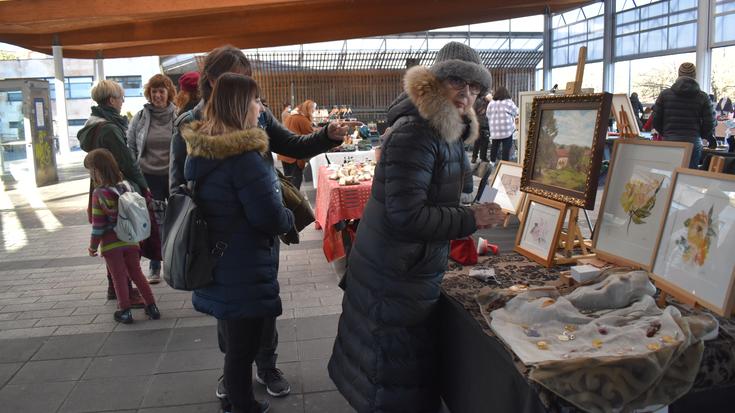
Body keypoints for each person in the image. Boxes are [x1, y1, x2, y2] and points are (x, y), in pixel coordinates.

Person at [328, 41, 506, 413]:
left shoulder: (443, 128)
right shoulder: (418, 131)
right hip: (394, 271)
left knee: (394, 368)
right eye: (458, 81)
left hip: (403, 265)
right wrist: (471, 218)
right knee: (388, 370)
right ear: (436, 82)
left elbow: (434, 196)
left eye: (474, 87)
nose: (467, 93)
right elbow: (407, 215)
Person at [168, 45, 350, 401]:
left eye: (248, 77)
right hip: (221, 234)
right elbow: (178, 184)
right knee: (231, 307)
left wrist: (327, 135)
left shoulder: (259, 114)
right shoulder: (190, 123)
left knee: (261, 300)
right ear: (211, 81)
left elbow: (293, 145)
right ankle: (235, 372)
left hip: (257, 232)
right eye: (234, 76)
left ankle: (265, 366)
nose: (245, 84)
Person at [181, 73, 293, 413]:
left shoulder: (204, 149)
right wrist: (289, 218)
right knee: (244, 347)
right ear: (241, 105)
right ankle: (242, 406)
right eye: (257, 100)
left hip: (219, 260)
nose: (261, 107)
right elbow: (268, 216)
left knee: (235, 345)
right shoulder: (245, 157)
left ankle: (233, 397)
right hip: (243, 263)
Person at [78, 79, 149, 307]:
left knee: (110, 238)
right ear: (111, 100)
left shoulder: (92, 124)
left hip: (99, 189)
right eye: (120, 98)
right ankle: (128, 292)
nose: (123, 102)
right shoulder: (109, 127)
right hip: (119, 191)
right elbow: (127, 162)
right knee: (126, 236)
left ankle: (115, 287)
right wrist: (144, 186)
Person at [84, 148, 160, 324]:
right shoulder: (126, 186)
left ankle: (124, 311)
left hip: (112, 244)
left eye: (90, 170)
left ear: (97, 170)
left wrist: (93, 247)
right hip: (131, 240)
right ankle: (152, 307)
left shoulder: (99, 194)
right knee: (137, 274)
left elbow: (98, 226)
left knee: (119, 277)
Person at [127, 74, 177, 284]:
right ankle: (155, 265)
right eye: (154, 91)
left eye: (161, 91)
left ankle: (174, 264)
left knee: (175, 219)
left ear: (168, 93)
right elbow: (130, 145)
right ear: (149, 93)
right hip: (148, 175)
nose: (157, 95)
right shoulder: (140, 117)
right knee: (154, 224)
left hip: (173, 175)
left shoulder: (178, 115)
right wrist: (134, 172)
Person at [653, 62, 716, 168]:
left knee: (669, 176)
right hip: (693, 143)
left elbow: (655, 120)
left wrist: (666, 133)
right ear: (695, 76)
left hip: (670, 141)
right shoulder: (703, 97)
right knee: (689, 178)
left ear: (678, 75)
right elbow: (710, 123)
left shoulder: (665, 95)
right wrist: (701, 135)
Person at [278, 99, 317, 189]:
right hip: (293, 155)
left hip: (284, 153)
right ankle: (294, 202)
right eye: (312, 110)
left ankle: (289, 201)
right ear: (308, 109)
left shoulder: (293, 116)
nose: (313, 112)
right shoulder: (301, 118)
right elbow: (311, 136)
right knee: (295, 182)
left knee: (288, 181)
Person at [486, 86, 518, 162]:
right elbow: (516, 111)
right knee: (506, 149)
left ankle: (492, 163)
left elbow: (488, 115)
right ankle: (504, 164)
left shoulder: (491, 103)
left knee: (494, 147)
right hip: (506, 130)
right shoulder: (508, 102)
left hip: (495, 131)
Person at [471, 96, 490, 163]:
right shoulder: (481, 101)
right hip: (481, 123)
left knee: (481, 141)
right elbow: (473, 111)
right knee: (481, 141)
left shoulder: (487, 102)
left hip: (482, 123)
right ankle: (478, 157)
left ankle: (478, 157)